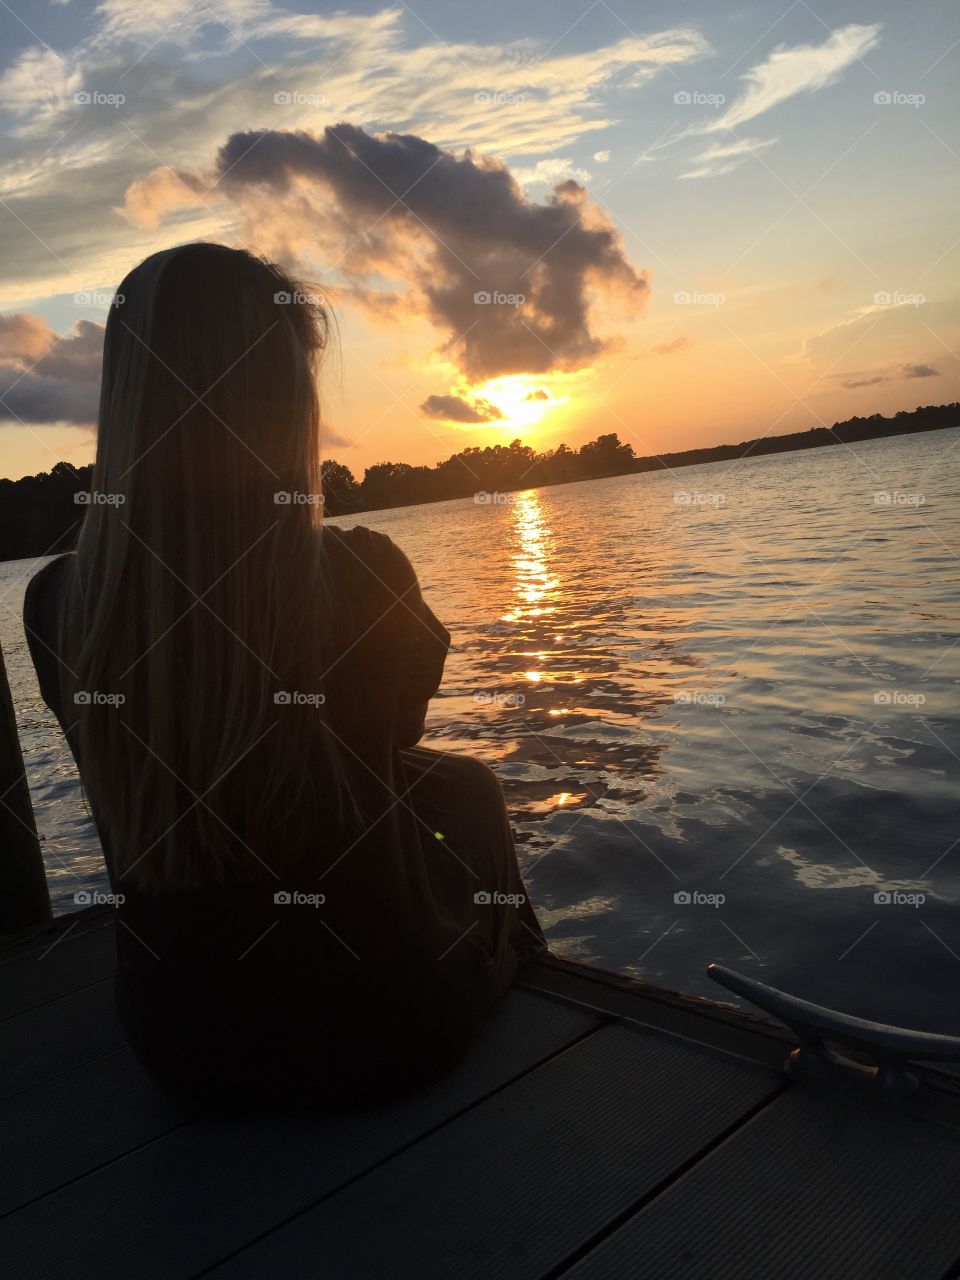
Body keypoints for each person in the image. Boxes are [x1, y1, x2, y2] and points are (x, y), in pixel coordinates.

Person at [23, 242, 546, 1113]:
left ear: (124, 397)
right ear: (284, 398)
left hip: (182, 1047)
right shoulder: (365, 573)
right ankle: (525, 965)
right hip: (385, 1034)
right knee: (470, 794)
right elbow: (396, 734)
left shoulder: (56, 605)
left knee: (456, 789)